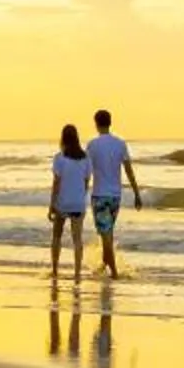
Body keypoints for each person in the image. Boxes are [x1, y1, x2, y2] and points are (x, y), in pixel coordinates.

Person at [84, 108, 142, 277]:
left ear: (96, 124)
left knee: (106, 234)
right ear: (110, 122)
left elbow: (87, 172)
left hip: (99, 195)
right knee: (107, 232)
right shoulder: (120, 143)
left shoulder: (92, 145)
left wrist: (82, 191)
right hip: (116, 196)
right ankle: (104, 264)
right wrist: (137, 193)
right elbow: (129, 170)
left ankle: (114, 272)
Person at [46, 122, 91, 284]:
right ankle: (77, 273)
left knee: (56, 236)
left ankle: (55, 270)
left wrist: (52, 204)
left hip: (62, 202)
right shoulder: (86, 158)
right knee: (77, 239)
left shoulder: (59, 158)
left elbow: (56, 183)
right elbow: (87, 181)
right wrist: (81, 197)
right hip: (78, 203)